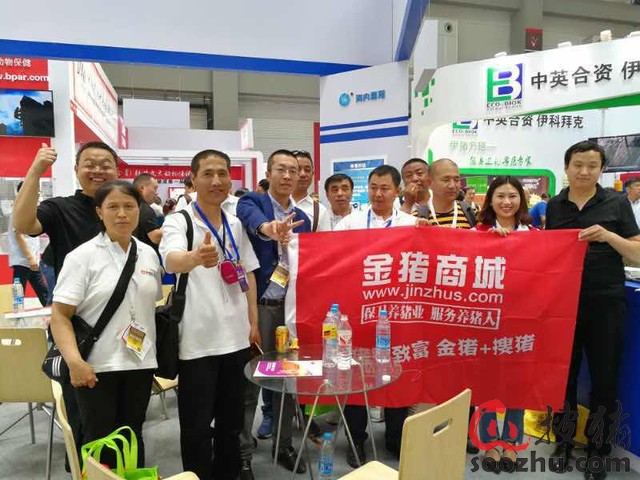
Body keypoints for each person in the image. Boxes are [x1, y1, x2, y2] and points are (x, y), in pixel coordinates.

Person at [13, 141, 121, 461]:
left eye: (105, 164)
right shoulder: (60, 209)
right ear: (76, 170)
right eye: (90, 164)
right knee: (86, 424)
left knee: (126, 423)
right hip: (78, 334)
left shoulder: (127, 208)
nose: (98, 170)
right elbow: (23, 224)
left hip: (122, 335)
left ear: (117, 171)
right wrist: (36, 170)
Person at [160, 149, 260, 480]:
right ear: (193, 180)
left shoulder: (234, 223)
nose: (216, 181)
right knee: (196, 427)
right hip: (197, 343)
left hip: (236, 339)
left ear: (230, 179)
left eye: (222, 173)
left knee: (232, 423)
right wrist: (195, 258)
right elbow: (170, 260)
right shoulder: (180, 220)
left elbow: (248, 272)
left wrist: (253, 321)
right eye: (207, 174)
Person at [50, 180, 162, 469]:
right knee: (99, 440)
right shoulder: (82, 257)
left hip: (139, 363)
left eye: (129, 206)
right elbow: (60, 315)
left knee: (133, 435)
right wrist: (74, 362)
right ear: (99, 212)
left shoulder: (148, 254)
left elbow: (148, 306)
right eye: (113, 207)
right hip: (95, 367)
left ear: (139, 209)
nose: (122, 214)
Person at [547, 141, 640, 480]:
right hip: (563, 305)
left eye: (592, 166)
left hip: (606, 304)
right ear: (566, 167)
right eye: (578, 165)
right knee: (563, 377)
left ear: (602, 169)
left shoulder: (616, 203)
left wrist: (608, 237)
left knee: (604, 380)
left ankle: (598, 450)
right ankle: (563, 441)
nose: (584, 172)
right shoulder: (555, 206)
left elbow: (637, 253)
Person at [335, 165, 416, 468]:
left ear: (397, 191)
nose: (378, 194)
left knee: (398, 371)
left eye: (384, 188)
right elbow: (331, 256)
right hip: (359, 310)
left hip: (398, 312)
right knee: (356, 372)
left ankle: (395, 436)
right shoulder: (350, 222)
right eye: (373, 188)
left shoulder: (412, 224)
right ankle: (356, 437)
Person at [236, 149, 311, 476]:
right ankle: (243, 453)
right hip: (257, 309)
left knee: (286, 381)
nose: (288, 175)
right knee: (250, 383)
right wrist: (270, 228)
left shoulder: (304, 217)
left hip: (291, 310)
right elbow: (252, 219)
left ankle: (284, 446)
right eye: (281, 169)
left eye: (293, 170)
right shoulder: (252, 202)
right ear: (268, 173)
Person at [418, 158, 479, 455]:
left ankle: (463, 431)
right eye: (446, 179)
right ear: (430, 182)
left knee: (463, 373)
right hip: (426, 310)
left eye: (457, 179)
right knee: (428, 372)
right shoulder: (416, 214)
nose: (454, 184)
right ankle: (428, 430)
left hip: (461, 309)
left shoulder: (468, 213)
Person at [472, 176, 531, 469]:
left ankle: (512, 443)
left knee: (517, 383)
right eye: (500, 196)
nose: (506, 202)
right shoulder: (476, 234)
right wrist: (488, 245)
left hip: (522, 320)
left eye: (512, 196)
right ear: (490, 200)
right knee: (485, 383)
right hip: (485, 320)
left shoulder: (534, 235)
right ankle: (489, 443)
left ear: (521, 199)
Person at [8, 181, 48, 306]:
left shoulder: (28, 210)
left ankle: (53, 314)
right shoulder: (19, 210)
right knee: (19, 294)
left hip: (32, 261)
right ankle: (17, 316)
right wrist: (30, 258)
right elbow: (19, 235)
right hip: (23, 260)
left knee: (43, 292)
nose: (38, 194)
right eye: (35, 191)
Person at [292, 150, 331, 232]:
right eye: (298, 169)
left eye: (307, 170)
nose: (303, 174)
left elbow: (325, 239)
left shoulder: (321, 211)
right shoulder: (274, 204)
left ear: (312, 174)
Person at [133, 173, 162, 251]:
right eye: (155, 188)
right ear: (142, 188)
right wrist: (171, 226)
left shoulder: (133, 205)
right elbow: (155, 237)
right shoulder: (144, 208)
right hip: (144, 254)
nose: (156, 193)